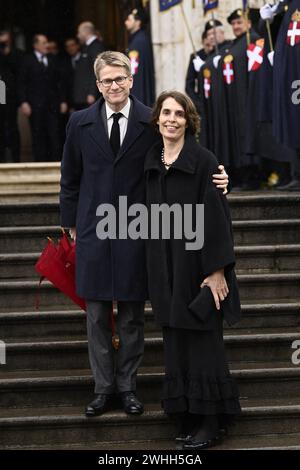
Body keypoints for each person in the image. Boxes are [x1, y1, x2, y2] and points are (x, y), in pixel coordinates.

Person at [60, 51, 229, 419]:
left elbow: (177, 155)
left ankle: (128, 387)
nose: (114, 86)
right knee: (97, 315)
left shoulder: (149, 120)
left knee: (132, 316)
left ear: (131, 79)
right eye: (106, 80)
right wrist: (70, 224)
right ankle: (103, 389)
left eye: (120, 78)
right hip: (92, 231)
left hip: (138, 230)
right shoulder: (79, 122)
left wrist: (217, 176)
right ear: (98, 84)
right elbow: (70, 178)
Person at [144, 91, 241, 449]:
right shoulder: (151, 160)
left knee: (204, 346)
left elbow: (217, 219)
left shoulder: (204, 161)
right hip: (164, 269)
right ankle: (187, 415)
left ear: (189, 120)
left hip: (198, 268)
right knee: (176, 345)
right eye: (166, 112)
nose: (171, 119)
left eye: (179, 114)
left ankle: (211, 421)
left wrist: (217, 271)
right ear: (157, 119)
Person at [18, 34, 68, 161]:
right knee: (38, 135)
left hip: (53, 105)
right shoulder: (27, 60)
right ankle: (40, 163)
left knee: (54, 135)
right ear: (35, 45)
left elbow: (60, 82)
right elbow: (22, 83)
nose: (47, 45)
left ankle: (56, 164)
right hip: (35, 105)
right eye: (44, 43)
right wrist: (24, 102)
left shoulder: (53, 59)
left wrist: (63, 100)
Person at [0, 29, 23, 162]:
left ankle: (16, 158)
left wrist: (7, 52)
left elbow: (17, 70)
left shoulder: (16, 53)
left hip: (10, 94)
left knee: (12, 126)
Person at [125, 7, 155, 107]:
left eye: (129, 20)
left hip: (139, 91)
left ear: (138, 22)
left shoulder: (138, 42)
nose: (126, 22)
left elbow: (134, 71)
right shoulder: (138, 39)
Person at [64, 37, 97, 110]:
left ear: (77, 46)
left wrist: (91, 93)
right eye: (68, 46)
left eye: (72, 45)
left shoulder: (86, 58)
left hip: (86, 99)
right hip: (73, 101)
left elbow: (93, 75)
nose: (70, 48)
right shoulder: (65, 62)